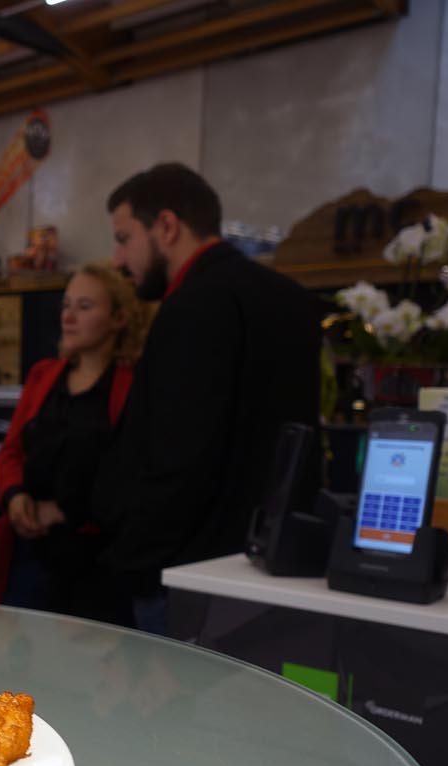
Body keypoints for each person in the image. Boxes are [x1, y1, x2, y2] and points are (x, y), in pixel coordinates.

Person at [94, 163, 321, 634]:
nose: (118, 259)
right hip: (271, 573)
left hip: (184, 578)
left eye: (123, 238)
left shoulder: (192, 306)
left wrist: (130, 561)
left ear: (167, 226)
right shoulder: (290, 298)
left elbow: (177, 457)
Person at [0, 263, 146, 624]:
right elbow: (12, 451)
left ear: (118, 318)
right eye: (66, 305)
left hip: (95, 559)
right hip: (28, 549)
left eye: (85, 306)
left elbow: (126, 472)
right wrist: (14, 496)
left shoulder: (133, 385)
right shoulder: (44, 375)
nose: (68, 316)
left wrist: (65, 511)